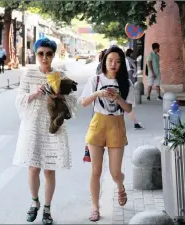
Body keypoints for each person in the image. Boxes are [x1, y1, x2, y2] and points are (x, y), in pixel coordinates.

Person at [13, 37, 78, 224]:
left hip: (53, 127)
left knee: (49, 170)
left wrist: (60, 96)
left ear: (53, 55)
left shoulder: (60, 75)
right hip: (32, 125)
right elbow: (19, 100)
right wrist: (35, 93)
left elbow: (73, 104)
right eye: (41, 53)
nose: (44, 57)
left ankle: (47, 210)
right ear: (36, 54)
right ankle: (34, 203)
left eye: (48, 54)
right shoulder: (28, 75)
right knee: (33, 168)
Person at [81, 46, 133, 221]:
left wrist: (118, 98)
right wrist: (97, 93)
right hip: (98, 123)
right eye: (110, 60)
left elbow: (128, 108)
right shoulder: (95, 80)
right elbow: (83, 103)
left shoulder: (126, 83)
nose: (114, 64)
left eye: (118, 61)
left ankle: (120, 186)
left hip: (116, 125)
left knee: (115, 172)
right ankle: (95, 207)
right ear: (104, 61)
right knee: (95, 170)